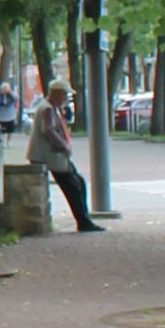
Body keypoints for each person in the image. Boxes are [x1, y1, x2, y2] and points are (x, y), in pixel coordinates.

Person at [27, 80, 102, 233]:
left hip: (53, 155)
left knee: (78, 183)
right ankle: (84, 222)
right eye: (65, 94)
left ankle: (84, 220)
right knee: (74, 186)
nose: (66, 98)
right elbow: (48, 130)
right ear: (57, 93)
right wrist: (63, 145)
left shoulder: (50, 108)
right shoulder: (48, 109)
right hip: (50, 156)